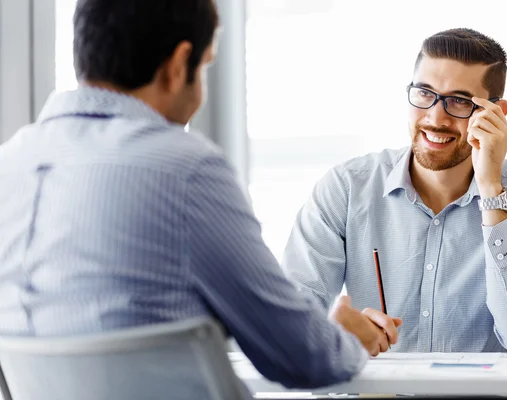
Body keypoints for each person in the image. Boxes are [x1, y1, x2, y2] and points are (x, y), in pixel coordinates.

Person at [0, 0, 402, 395]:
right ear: (178, 65)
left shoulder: (10, 162)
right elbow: (303, 357)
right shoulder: (184, 169)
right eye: (206, 67)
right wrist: (346, 338)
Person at [282, 28, 507, 353]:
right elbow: (287, 321)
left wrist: (491, 191)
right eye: (424, 93)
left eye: (459, 101)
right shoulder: (347, 188)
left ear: (496, 113)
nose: (436, 117)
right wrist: (331, 328)